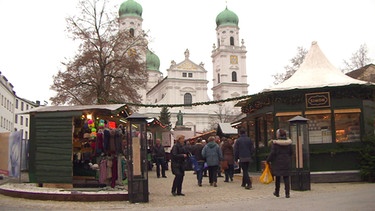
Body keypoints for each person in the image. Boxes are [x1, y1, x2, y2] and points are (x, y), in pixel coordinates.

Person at [266, 129, 293, 198]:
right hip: (286, 161)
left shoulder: (275, 144)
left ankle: (277, 192)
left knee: (277, 177)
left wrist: (268, 160)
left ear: (278, 135)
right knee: (286, 177)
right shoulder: (289, 143)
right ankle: (287, 193)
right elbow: (291, 152)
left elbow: (272, 153)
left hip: (277, 162)